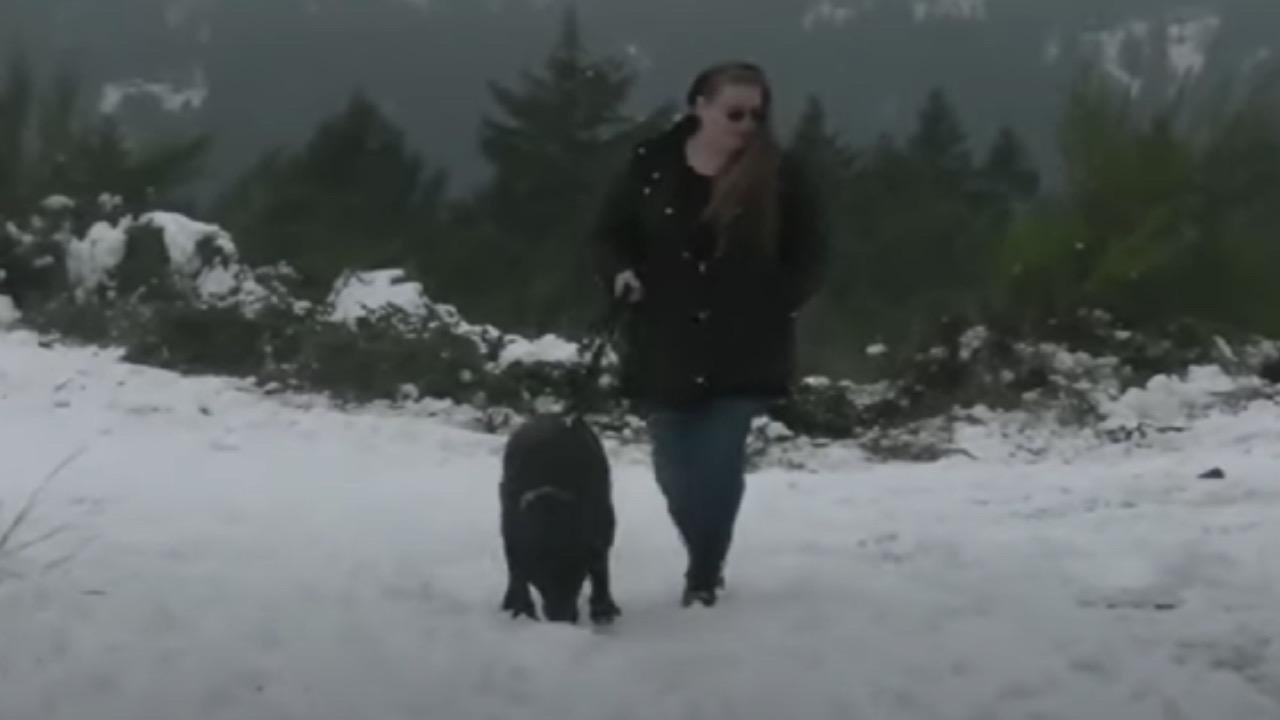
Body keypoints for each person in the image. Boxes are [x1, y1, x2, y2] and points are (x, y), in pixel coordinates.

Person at [590, 61, 826, 607]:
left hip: (746, 350)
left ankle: (704, 569)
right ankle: (702, 547)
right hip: (663, 343)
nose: (747, 125)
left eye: (757, 115)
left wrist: (776, 300)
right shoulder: (652, 165)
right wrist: (620, 273)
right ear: (700, 107)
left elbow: (810, 254)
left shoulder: (780, 176)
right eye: (735, 113)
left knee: (718, 463)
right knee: (674, 471)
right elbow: (608, 235)